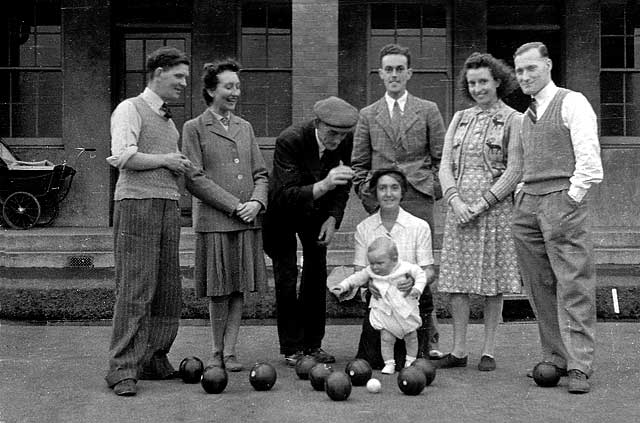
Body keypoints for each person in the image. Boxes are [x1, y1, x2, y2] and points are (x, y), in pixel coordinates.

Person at [512, 42, 603, 394]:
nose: (524, 76)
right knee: (539, 285)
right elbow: (525, 163)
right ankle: (555, 357)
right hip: (528, 204)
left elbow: (590, 164)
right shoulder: (527, 114)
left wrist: (571, 198)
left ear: (548, 65)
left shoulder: (572, 102)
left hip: (561, 201)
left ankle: (579, 365)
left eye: (531, 68)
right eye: (519, 71)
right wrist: (522, 192)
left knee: (573, 284)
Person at [105, 47, 192, 396]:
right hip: (136, 205)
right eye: (179, 76)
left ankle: (154, 357)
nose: (184, 84)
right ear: (158, 72)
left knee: (167, 290)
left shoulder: (169, 120)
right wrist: (168, 160)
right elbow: (122, 156)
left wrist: (178, 164)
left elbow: (165, 161)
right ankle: (121, 369)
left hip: (167, 206)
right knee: (136, 289)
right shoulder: (130, 108)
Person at [351, 43, 445, 358]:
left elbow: (441, 160)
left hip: (417, 196)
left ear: (409, 73)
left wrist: (430, 189)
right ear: (380, 74)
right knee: (382, 267)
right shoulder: (367, 114)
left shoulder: (428, 109)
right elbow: (359, 165)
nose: (394, 75)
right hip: (382, 199)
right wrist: (369, 196)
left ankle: (427, 338)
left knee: (418, 266)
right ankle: (383, 337)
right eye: (388, 69)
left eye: (399, 69)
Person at [436, 52, 523, 372]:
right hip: (459, 210)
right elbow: (445, 165)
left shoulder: (515, 119)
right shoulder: (459, 118)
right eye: (472, 83)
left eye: (483, 81)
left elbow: (514, 170)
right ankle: (458, 350)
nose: (477, 88)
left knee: (492, 284)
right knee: (457, 283)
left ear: (498, 81)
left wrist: (482, 203)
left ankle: (488, 350)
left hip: (494, 211)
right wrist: (456, 201)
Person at [182, 59, 268, 372]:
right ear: (210, 90)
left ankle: (230, 353)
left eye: (237, 86)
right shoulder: (193, 128)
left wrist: (257, 203)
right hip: (216, 223)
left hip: (247, 220)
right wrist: (235, 205)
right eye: (228, 86)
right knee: (218, 290)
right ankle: (216, 352)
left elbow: (261, 173)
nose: (235, 92)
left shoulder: (245, 127)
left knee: (237, 288)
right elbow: (194, 178)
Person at [262, 96, 358, 366]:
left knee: (316, 274)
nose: (337, 141)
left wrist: (333, 218)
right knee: (287, 276)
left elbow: (344, 185)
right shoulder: (289, 140)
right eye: (332, 133)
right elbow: (286, 194)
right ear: (317, 123)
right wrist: (326, 184)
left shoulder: (345, 141)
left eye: (342, 135)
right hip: (281, 212)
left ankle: (313, 345)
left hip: (316, 214)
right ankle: (292, 348)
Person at [352, 168, 437, 370]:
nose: (388, 194)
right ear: (375, 193)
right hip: (381, 304)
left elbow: (430, 271)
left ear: (402, 192)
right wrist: (370, 282)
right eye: (382, 188)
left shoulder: (420, 226)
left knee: (416, 365)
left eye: (394, 188)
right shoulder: (364, 228)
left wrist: (414, 282)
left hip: (411, 305)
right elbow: (360, 271)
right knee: (372, 363)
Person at [331, 237, 429, 374]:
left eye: (380, 263)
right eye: (372, 263)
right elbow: (357, 278)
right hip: (385, 311)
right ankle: (389, 363)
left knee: (411, 337)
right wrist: (343, 285)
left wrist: (417, 288)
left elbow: (421, 274)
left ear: (394, 259)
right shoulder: (371, 271)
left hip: (404, 310)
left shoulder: (406, 267)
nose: (375, 267)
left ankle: (410, 361)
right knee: (386, 338)